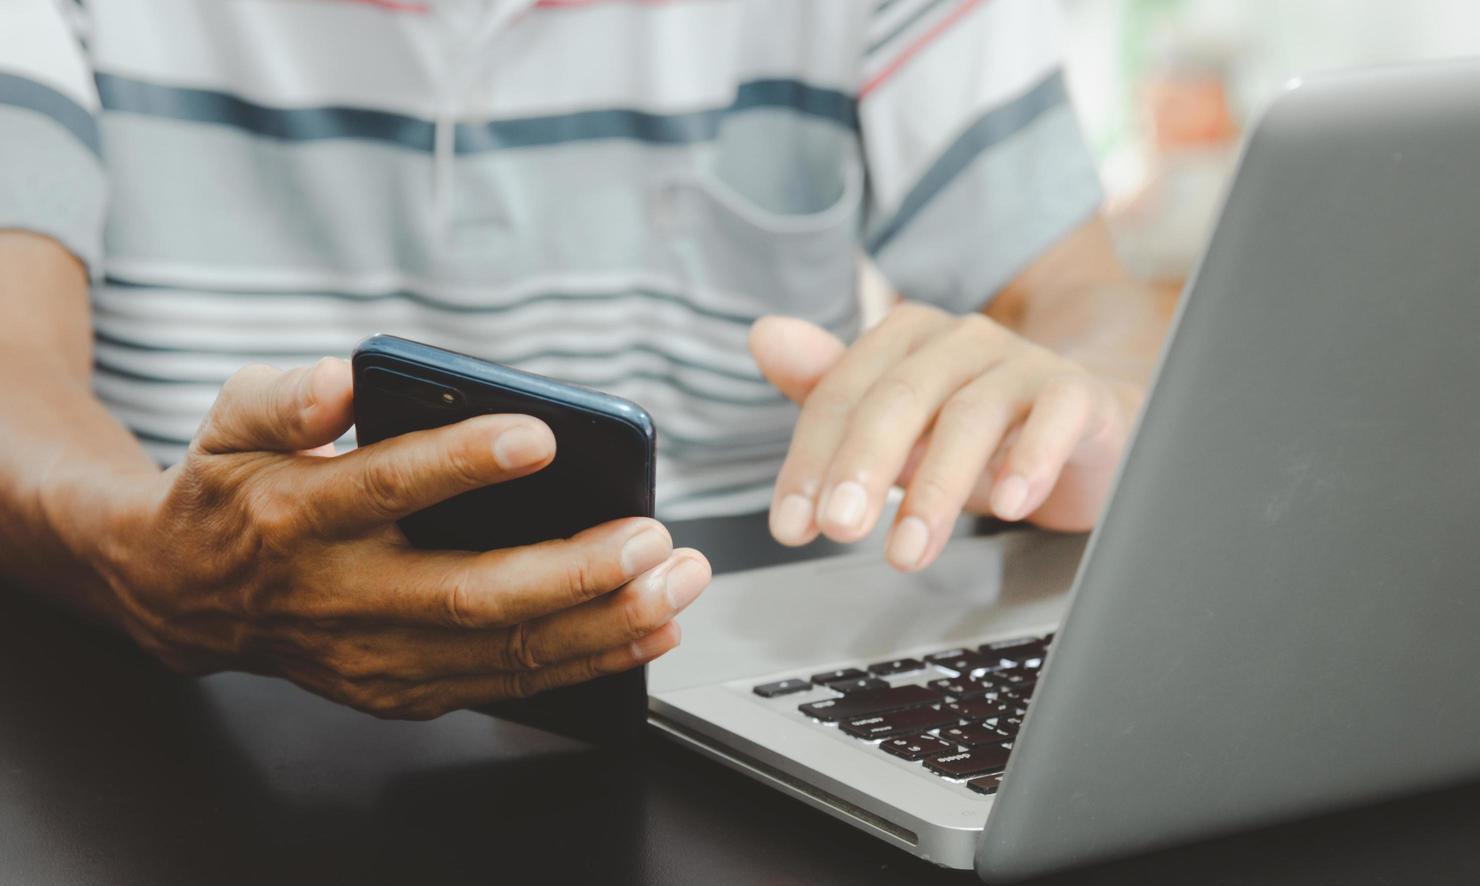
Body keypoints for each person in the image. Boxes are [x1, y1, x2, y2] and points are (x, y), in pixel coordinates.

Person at [0, 0, 1165, 719]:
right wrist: (140, 555)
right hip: (193, 724)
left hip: (746, 697)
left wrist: (1080, 410)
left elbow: (1079, 301)